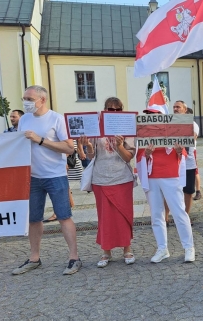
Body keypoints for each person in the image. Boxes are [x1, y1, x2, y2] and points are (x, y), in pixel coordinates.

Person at [12, 85, 81, 275]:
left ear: (42, 100)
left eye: (29, 99)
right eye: (24, 98)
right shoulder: (24, 119)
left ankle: (74, 257)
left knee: (64, 216)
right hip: (32, 177)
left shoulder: (57, 119)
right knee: (34, 219)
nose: (25, 102)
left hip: (55, 175)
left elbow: (69, 149)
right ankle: (34, 257)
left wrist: (41, 140)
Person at [80, 97, 136, 267]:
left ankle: (127, 249)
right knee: (105, 217)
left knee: (124, 215)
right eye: (110, 109)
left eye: (117, 109)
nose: (114, 112)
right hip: (101, 178)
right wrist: (88, 146)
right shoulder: (96, 125)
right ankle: (106, 251)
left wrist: (119, 145)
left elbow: (128, 157)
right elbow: (91, 156)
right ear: (104, 110)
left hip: (122, 178)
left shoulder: (127, 126)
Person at [136, 106, 195, 263]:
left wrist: (178, 150)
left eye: (154, 115)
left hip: (170, 176)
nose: (151, 118)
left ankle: (189, 247)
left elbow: (182, 154)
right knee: (156, 214)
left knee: (179, 212)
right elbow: (140, 156)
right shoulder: (143, 132)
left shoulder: (173, 130)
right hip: (152, 176)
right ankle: (162, 248)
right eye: (149, 115)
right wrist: (147, 154)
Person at [173, 100, 198, 215]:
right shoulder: (170, 125)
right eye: (174, 107)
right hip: (172, 162)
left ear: (185, 109)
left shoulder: (192, 124)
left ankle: (186, 215)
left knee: (188, 191)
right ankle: (167, 218)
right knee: (171, 190)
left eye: (178, 107)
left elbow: (191, 139)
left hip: (188, 163)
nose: (175, 109)